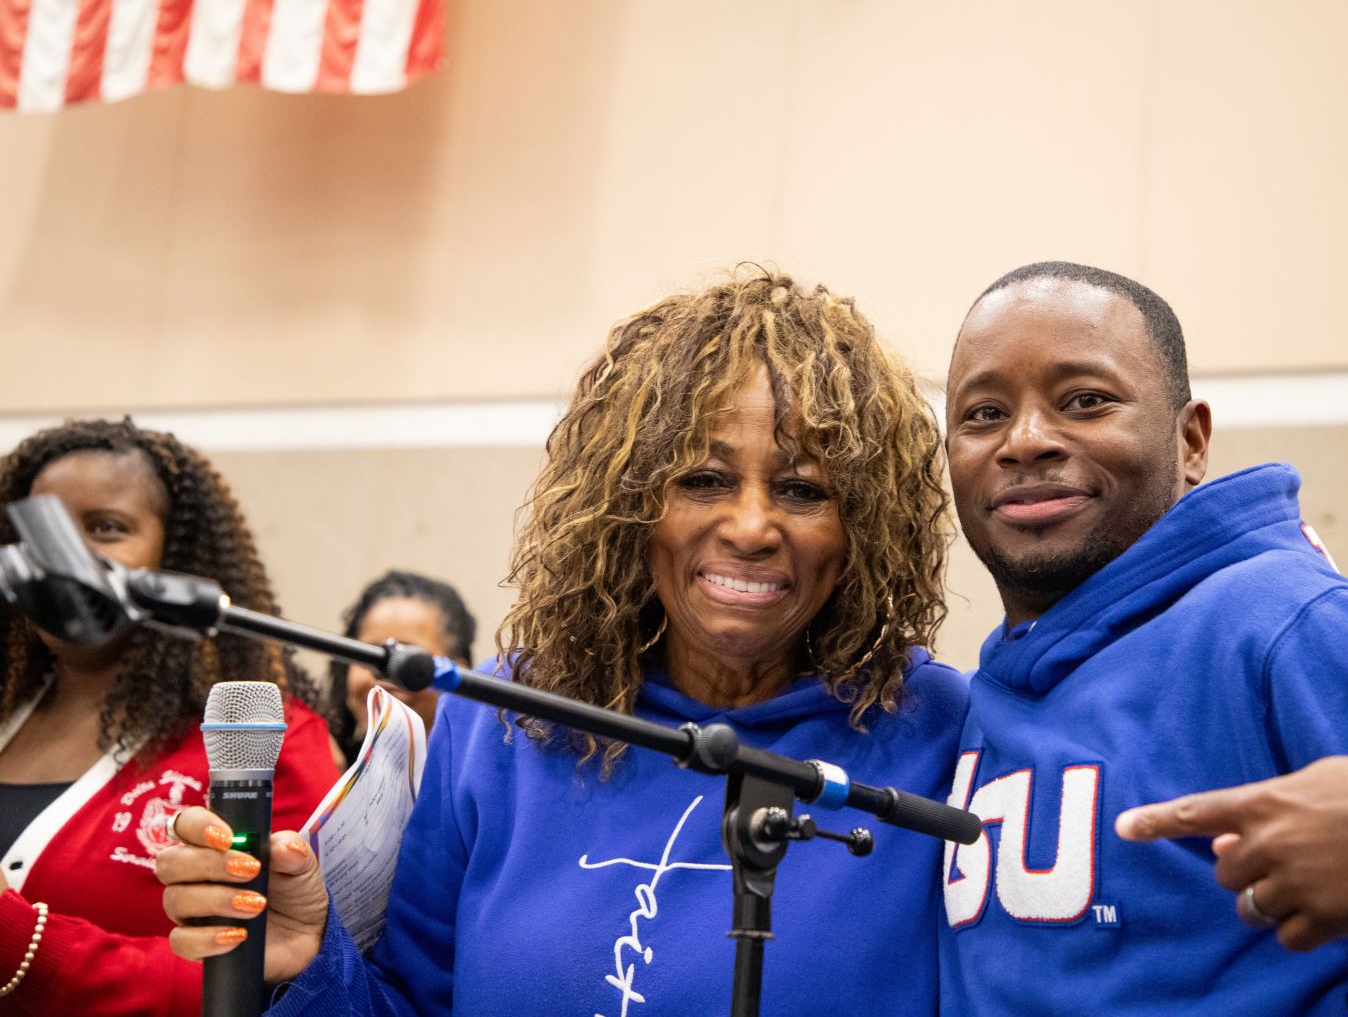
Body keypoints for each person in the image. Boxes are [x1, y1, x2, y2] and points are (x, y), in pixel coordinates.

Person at [158, 270, 968, 1014]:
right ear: (627, 505)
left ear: (863, 526)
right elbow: (412, 1002)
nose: (752, 526)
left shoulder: (940, 732)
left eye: (801, 489)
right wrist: (311, 961)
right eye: (703, 479)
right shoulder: (502, 719)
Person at [937, 261, 1348, 1015]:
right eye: (983, 414)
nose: (1025, 440)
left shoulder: (1294, 625)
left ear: (1190, 442)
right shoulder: (964, 704)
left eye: (1085, 401)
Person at [0, 419, 342, 1016]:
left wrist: (22, 943)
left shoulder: (255, 740)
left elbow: (270, 981)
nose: (64, 559)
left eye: (106, 528)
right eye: (40, 533)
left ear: (176, 557)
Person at [327, 570, 477, 763]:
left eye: (409, 658)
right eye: (372, 655)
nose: (384, 675)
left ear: (457, 673)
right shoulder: (326, 770)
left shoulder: (471, 784)